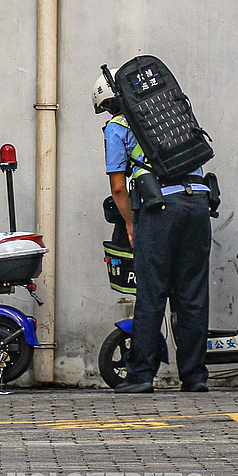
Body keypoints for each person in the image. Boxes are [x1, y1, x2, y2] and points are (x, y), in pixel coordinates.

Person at [94, 68, 212, 393]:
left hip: (161, 209)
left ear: (113, 102)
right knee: (192, 295)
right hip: (199, 202)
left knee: (152, 291)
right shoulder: (168, 113)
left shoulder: (117, 127)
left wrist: (131, 224)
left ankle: (141, 375)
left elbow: (119, 188)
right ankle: (195, 377)